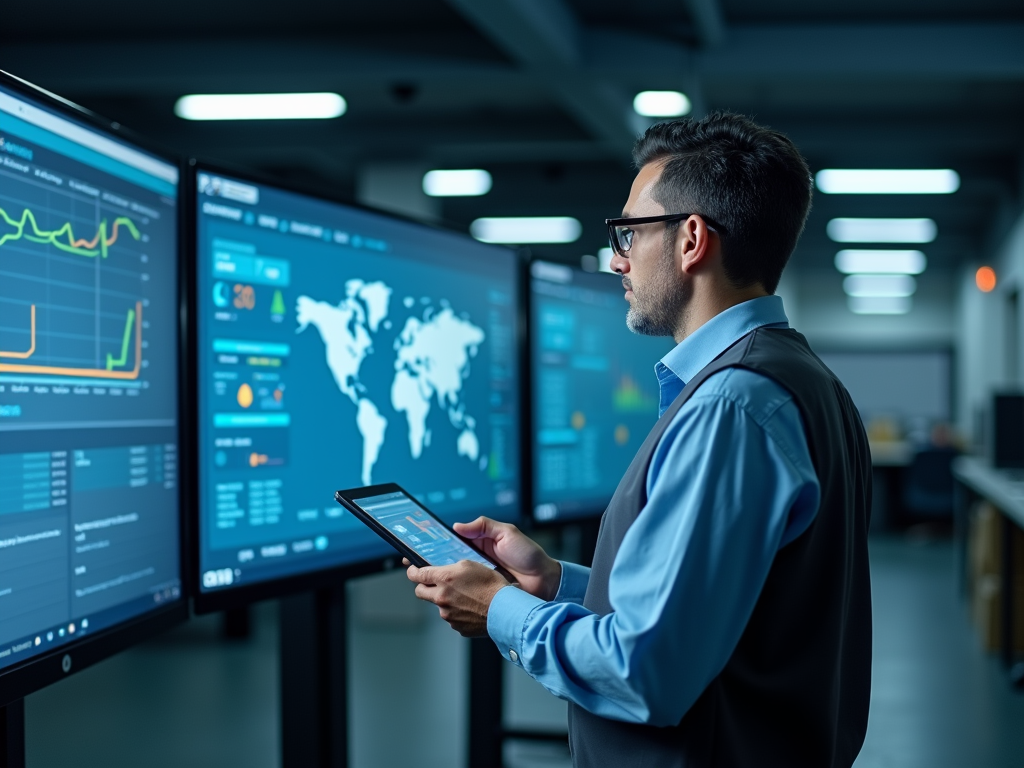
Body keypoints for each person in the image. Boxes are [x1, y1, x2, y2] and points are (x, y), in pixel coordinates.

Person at [406, 112, 873, 767]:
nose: (616, 257)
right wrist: (555, 583)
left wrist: (501, 610)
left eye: (628, 232)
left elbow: (645, 671)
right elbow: (708, 607)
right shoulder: (802, 382)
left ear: (690, 240)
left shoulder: (730, 407)